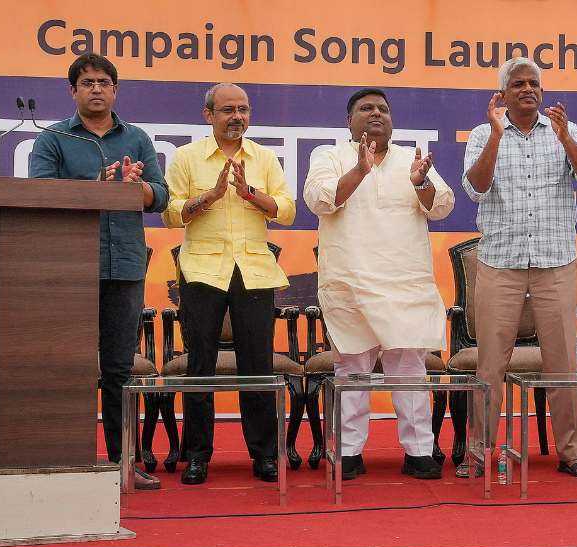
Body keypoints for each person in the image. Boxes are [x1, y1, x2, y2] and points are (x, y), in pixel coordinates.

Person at [29, 53, 168, 490]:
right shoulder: (52, 140)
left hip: (124, 265)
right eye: (86, 82)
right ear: (72, 91)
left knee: (118, 370)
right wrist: (98, 190)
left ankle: (121, 463)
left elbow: (161, 197)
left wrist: (137, 188)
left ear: (115, 90)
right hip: (71, 268)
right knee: (68, 367)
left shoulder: (138, 138)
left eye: (104, 82)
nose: (96, 89)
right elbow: (42, 197)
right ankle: (66, 462)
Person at [462, 57, 577, 480]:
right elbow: (476, 187)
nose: (528, 89)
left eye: (534, 83)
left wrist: (567, 139)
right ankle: (477, 454)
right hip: (500, 263)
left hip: (555, 263)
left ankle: (572, 452)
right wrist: (495, 135)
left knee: (563, 362)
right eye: (518, 84)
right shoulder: (483, 134)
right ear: (502, 95)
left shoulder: (565, 131)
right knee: (490, 364)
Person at [303, 89, 455, 481]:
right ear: (348, 121)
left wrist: (421, 183)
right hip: (350, 281)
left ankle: (419, 451)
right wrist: (360, 170)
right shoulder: (329, 155)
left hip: (404, 283)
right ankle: (349, 451)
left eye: (383, 109)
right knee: (352, 368)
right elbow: (319, 200)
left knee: (410, 370)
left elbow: (442, 205)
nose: (376, 114)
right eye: (366, 108)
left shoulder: (411, 160)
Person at [163, 83, 296, 485]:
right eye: (227, 110)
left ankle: (265, 455)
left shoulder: (265, 157)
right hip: (202, 271)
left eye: (243, 109)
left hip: (254, 272)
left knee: (256, 366)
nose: (237, 117)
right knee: (200, 366)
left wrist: (249, 193)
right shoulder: (186, 157)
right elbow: (170, 213)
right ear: (209, 116)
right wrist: (211, 196)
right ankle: (198, 455)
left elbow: (286, 211)